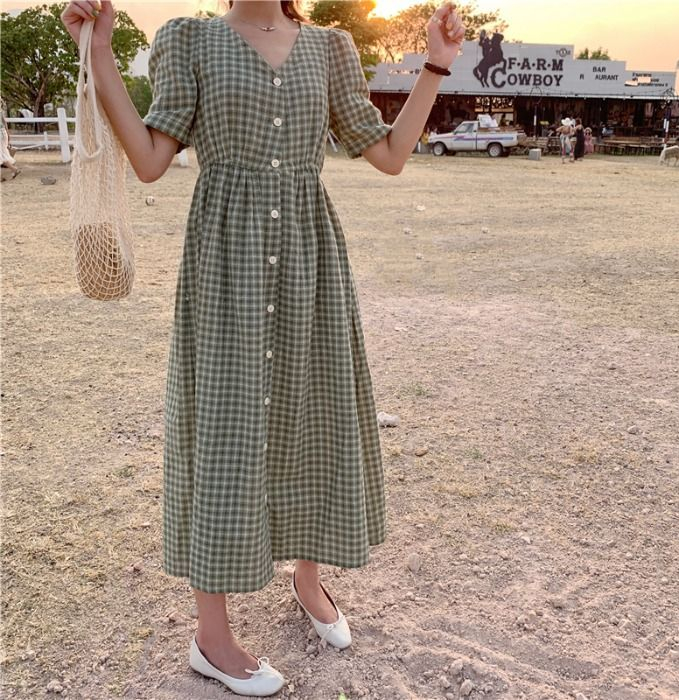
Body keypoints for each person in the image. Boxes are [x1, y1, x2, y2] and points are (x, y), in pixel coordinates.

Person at [60, 1, 466, 697]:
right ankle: (210, 638)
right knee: (224, 431)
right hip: (225, 265)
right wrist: (97, 52)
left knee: (312, 416)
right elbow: (153, 160)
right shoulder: (190, 39)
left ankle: (307, 581)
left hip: (311, 259)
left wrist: (435, 63)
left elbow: (391, 155)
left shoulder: (330, 49)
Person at [0, 104, 20, 180]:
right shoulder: (1, 111)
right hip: (3, 133)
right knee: (3, 155)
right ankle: (14, 169)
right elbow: (5, 123)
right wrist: (8, 134)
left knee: (1, 155)